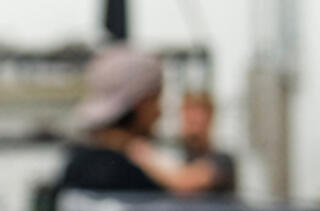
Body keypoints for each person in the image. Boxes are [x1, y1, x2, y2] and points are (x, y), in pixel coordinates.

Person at [56, 45, 221, 199]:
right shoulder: (132, 177)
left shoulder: (76, 164)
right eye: (156, 100)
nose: (160, 112)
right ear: (140, 104)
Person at [179, 90, 238, 195]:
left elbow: (186, 181)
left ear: (210, 116)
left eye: (198, 112)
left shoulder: (223, 161)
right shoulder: (178, 157)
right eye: (188, 111)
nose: (192, 118)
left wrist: (141, 150)